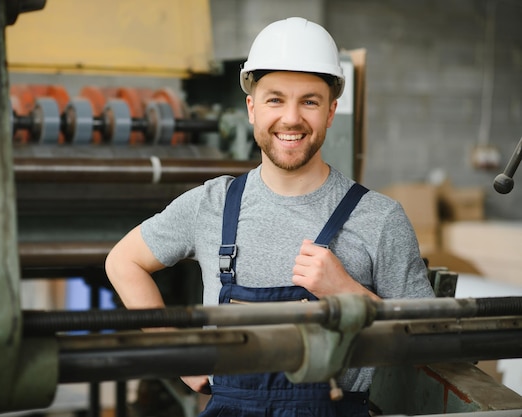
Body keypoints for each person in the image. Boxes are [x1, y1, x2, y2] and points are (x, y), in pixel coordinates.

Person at [105, 16, 435, 417]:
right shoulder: (212, 203)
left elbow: (428, 342)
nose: (291, 118)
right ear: (251, 108)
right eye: (275, 99)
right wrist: (175, 352)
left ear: (331, 112)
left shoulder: (379, 218)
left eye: (309, 101)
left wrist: (348, 293)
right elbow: (123, 261)